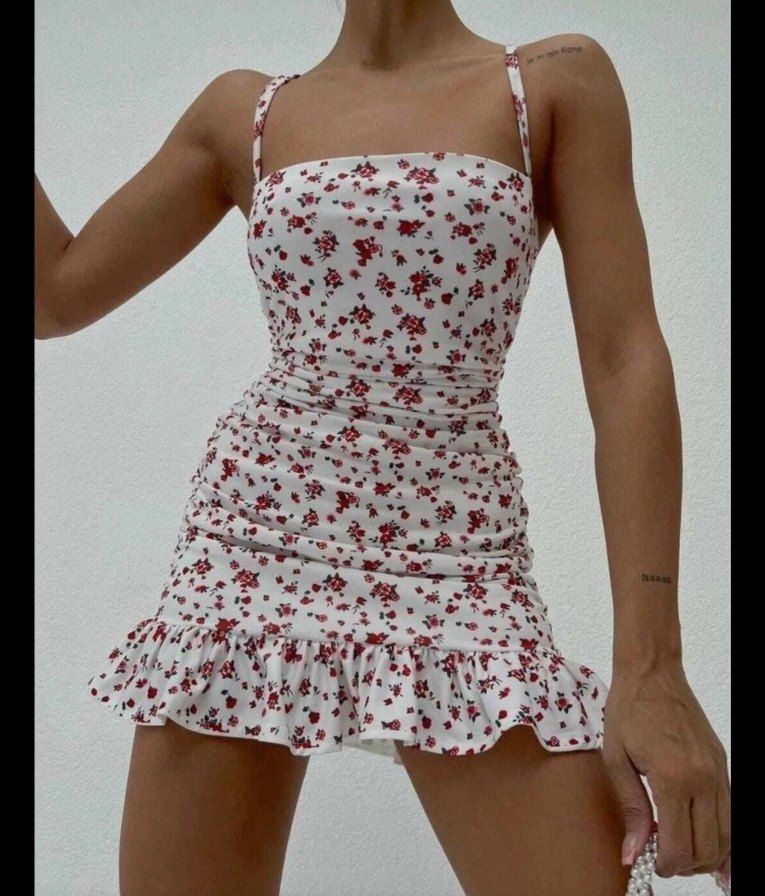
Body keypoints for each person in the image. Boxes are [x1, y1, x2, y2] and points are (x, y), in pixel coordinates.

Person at [35, 2, 731, 894]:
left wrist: (653, 669)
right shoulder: (243, 110)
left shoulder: (551, 81)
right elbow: (55, 295)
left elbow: (624, 358)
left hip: (457, 552)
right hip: (255, 541)